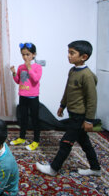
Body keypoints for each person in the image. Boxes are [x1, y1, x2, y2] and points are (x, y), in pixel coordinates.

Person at [36, 40, 101, 177]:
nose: (68, 56)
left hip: (80, 116)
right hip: (73, 114)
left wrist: (89, 120)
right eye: (68, 52)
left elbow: (92, 99)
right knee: (84, 142)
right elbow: (68, 90)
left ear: (84, 57)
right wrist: (62, 105)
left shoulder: (87, 75)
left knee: (65, 142)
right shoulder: (72, 70)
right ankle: (95, 168)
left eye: (72, 53)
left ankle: (53, 168)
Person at [10, 42, 42, 151]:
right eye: (23, 54)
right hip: (22, 96)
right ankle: (22, 138)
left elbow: (35, 79)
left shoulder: (37, 67)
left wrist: (29, 68)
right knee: (23, 118)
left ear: (34, 54)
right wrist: (14, 73)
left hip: (33, 97)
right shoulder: (20, 67)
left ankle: (36, 140)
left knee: (34, 119)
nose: (25, 57)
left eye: (28, 54)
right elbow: (19, 81)